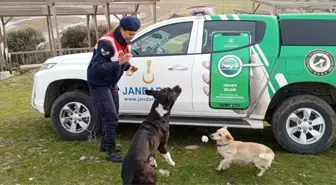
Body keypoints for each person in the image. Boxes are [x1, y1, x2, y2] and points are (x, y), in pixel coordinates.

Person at [87, 16, 141, 163]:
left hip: (111, 83)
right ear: (121, 29)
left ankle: (105, 145)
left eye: (134, 34)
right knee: (111, 118)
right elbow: (97, 68)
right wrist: (120, 62)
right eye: (130, 34)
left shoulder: (125, 42)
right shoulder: (107, 43)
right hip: (98, 84)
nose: (132, 37)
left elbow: (120, 60)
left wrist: (128, 66)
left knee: (113, 115)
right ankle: (110, 153)